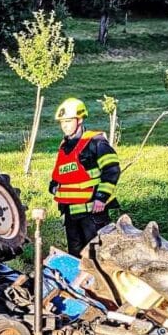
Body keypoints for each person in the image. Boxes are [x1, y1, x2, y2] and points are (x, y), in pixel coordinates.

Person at [48, 98, 121, 257]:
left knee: (95, 256)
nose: (64, 125)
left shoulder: (95, 142)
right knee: (75, 256)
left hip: (92, 214)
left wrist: (101, 198)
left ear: (80, 119)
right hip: (70, 214)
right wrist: (53, 186)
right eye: (62, 122)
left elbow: (112, 170)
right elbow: (60, 175)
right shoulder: (64, 146)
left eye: (68, 121)